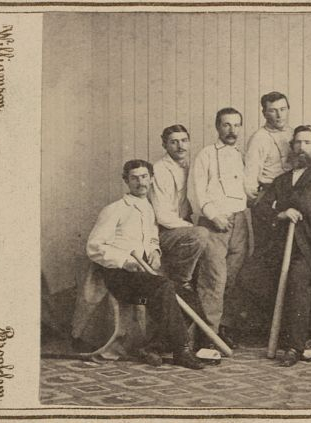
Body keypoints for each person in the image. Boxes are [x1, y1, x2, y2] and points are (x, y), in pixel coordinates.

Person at [85, 159, 204, 370]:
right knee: (163, 286)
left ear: (151, 179)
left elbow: (151, 238)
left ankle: (153, 347)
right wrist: (125, 261)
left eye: (144, 177)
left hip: (142, 283)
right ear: (126, 181)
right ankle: (181, 350)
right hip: (120, 279)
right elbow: (94, 247)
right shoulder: (114, 209)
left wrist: (155, 251)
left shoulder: (148, 208)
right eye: (134, 178)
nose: (140, 182)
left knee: (188, 297)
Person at [251, 125, 311, 367]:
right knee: (250, 274)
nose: (301, 147)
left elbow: (307, 205)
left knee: (298, 279)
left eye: (308, 143)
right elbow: (260, 208)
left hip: (310, 249)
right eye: (297, 143)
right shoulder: (281, 179)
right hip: (282, 246)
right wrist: (281, 212)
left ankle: (294, 347)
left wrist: (283, 204)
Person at [187, 107, 250, 349]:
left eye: (236, 125)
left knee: (233, 278)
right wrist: (214, 216)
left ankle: (224, 329)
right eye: (226, 125)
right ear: (217, 127)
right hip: (215, 223)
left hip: (240, 222)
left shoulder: (242, 156)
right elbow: (196, 193)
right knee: (214, 279)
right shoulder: (205, 155)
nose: (232, 130)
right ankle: (208, 336)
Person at [148, 124, 210, 287]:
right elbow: (162, 217)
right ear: (164, 145)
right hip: (162, 230)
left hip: (182, 224)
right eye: (174, 142)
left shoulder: (191, 166)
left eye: (184, 140)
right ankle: (181, 281)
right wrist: (190, 226)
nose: (180, 146)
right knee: (200, 234)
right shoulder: (159, 170)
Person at [243, 92, 294, 250]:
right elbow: (249, 178)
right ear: (264, 113)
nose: (279, 115)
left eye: (283, 109)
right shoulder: (259, 138)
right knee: (267, 250)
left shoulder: (292, 133)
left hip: (291, 196)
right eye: (273, 110)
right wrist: (260, 206)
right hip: (268, 196)